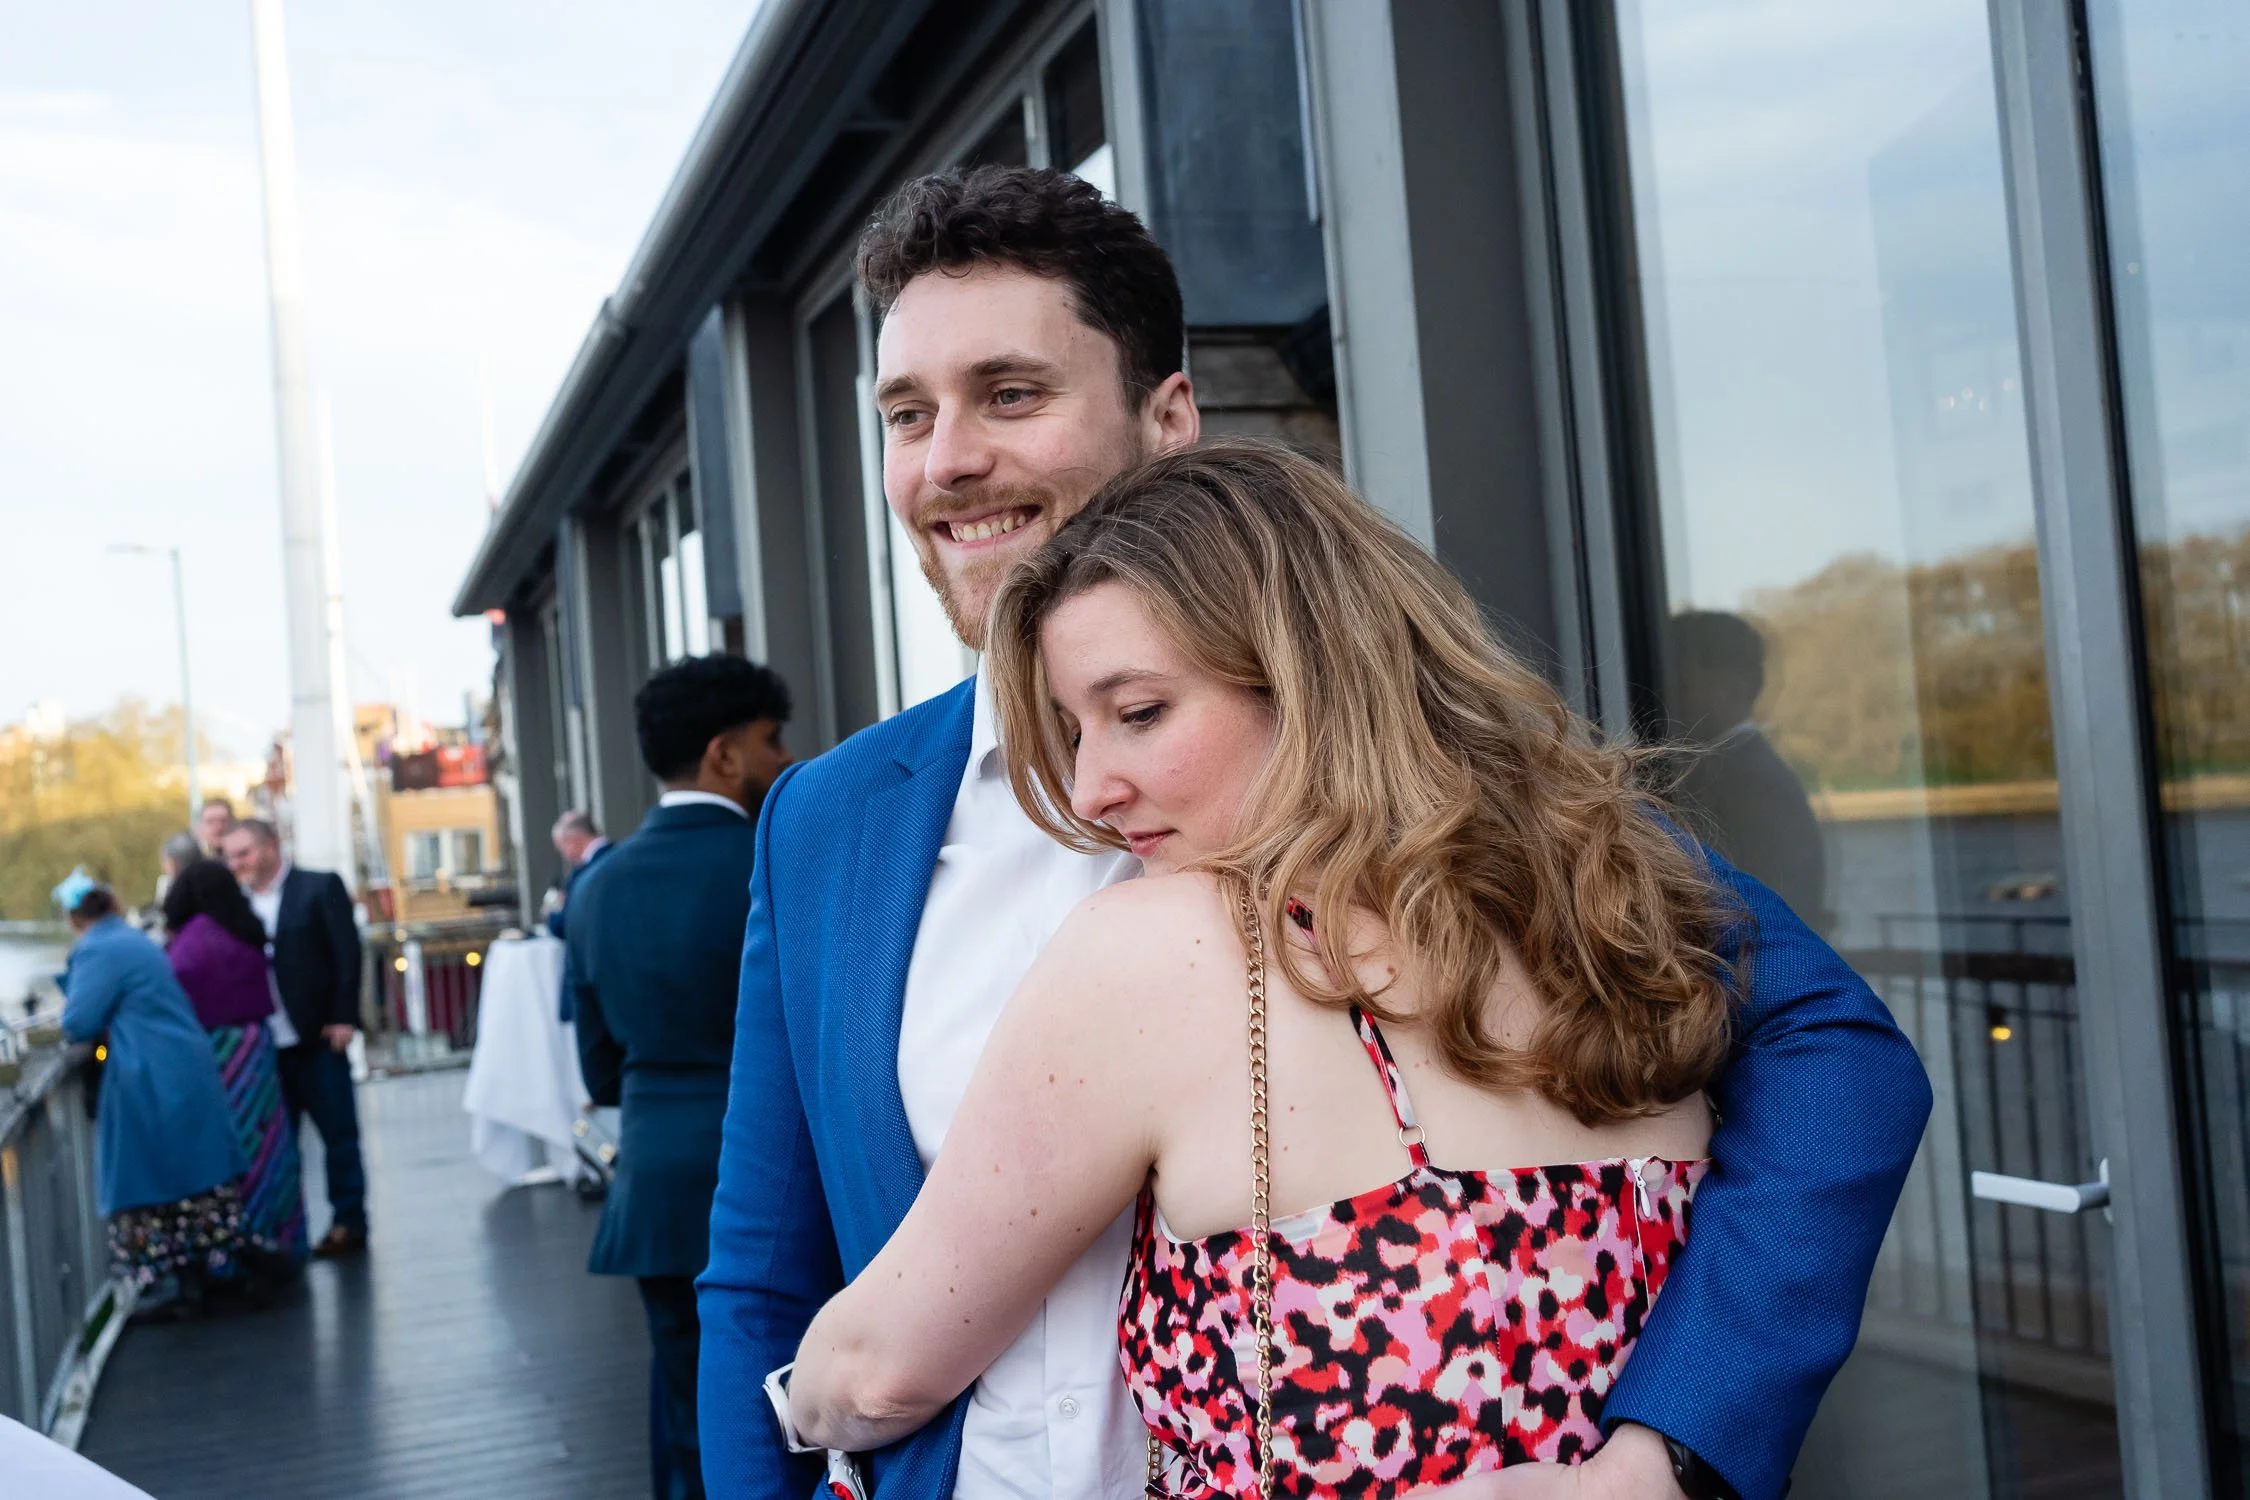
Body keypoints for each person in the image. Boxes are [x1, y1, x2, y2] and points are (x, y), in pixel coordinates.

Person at [698, 166, 1931, 1500]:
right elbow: (765, 1269)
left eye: (1009, 393)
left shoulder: (1472, 800)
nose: (947, 460)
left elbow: (1833, 1054)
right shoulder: (829, 817)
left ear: (1168, 415)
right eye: (905, 414)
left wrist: (1667, 1452)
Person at [566, 655, 792, 1500]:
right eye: (772, 740)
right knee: (793, 1399)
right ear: (723, 755)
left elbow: (598, 1065)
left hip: (654, 1180)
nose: (784, 761)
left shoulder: (596, 887)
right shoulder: (777, 859)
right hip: (773, 1175)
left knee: (685, 1396)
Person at [54, 870, 253, 1321]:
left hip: (149, 1075)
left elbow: (79, 1021)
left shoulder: (97, 949)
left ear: (73, 917)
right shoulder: (129, 940)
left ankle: (175, 1286)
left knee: (151, 1178)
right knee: (193, 1176)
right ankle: (207, 1275)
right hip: (180, 1066)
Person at [220, 818, 369, 1258]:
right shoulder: (235, 905)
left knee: (338, 1136)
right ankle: (288, 1233)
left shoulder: (319, 887)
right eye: (230, 856)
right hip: (264, 1046)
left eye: (244, 853)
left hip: (318, 1036)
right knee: (277, 1146)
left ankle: (349, 1223)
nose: (237, 864)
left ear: (270, 847)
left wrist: (345, 1018)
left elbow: (347, 953)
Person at [163, 857, 310, 1270]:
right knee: (269, 1143)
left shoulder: (190, 943)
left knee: (225, 1152)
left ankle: (231, 1254)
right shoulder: (244, 930)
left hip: (214, 1052)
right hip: (256, 1047)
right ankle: (279, 1236)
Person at [1663, 612, 1829, 935]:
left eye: (1682, 684)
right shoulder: (1740, 773)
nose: (1667, 697)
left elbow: (1779, 914)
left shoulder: (1754, 784)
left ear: (1730, 688)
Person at [548, 809, 612, 1025]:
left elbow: (564, 925)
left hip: (593, 975)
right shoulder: (617, 859)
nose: (566, 855)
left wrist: (553, 912)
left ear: (573, 840)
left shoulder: (584, 875)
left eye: (562, 848)